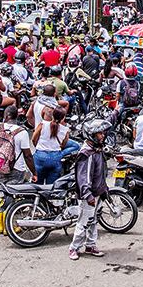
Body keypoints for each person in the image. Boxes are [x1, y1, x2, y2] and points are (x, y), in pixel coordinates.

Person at [68, 119, 111, 261]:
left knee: (93, 220)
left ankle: (90, 245)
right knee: (84, 222)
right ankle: (74, 248)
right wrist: (88, 195)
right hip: (89, 194)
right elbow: (84, 177)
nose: (102, 136)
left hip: (97, 191)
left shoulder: (97, 150)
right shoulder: (87, 153)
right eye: (99, 134)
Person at [31, 107, 80, 185]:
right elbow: (63, 145)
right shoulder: (65, 130)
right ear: (63, 118)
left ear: (52, 115)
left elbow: (33, 139)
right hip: (55, 158)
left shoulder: (43, 124)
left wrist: (39, 148)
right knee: (51, 187)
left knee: (36, 186)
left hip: (40, 157)